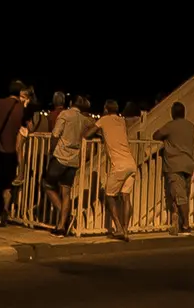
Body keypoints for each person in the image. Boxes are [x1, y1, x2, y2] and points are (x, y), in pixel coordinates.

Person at [47, 96, 92, 235]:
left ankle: (63, 214)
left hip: (61, 156)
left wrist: (51, 152)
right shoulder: (85, 120)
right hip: (74, 160)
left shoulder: (65, 115)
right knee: (66, 192)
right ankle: (61, 226)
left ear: (71, 103)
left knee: (46, 184)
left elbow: (55, 135)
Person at [153, 101, 194, 233]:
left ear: (173, 113)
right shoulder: (191, 126)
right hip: (189, 164)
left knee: (179, 197)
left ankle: (185, 225)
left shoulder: (170, 126)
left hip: (174, 165)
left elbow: (155, 135)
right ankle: (180, 223)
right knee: (185, 195)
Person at [96, 100, 136, 240]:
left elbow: (87, 134)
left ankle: (118, 227)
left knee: (109, 195)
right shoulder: (121, 121)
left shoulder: (104, 119)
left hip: (119, 165)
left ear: (106, 109)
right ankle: (125, 230)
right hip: (131, 163)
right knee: (126, 197)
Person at [0, 82, 29, 226]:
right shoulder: (20, 108)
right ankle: (5, 210)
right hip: (11, 150)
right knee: (7, 185)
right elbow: (24, 127)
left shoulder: (0, 103)